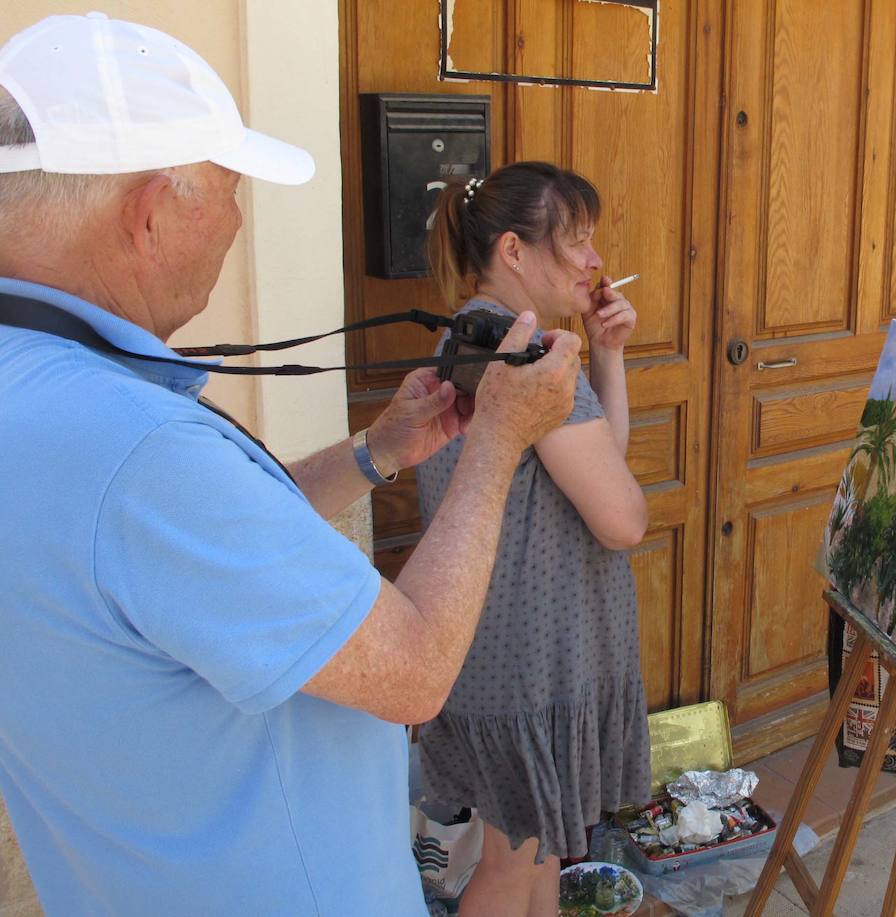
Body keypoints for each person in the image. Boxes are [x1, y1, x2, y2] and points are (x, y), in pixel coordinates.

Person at [0, 13, 580, 915]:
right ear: (152, 212)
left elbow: (184, 568)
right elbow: (417, 670)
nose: (236, 221)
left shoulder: (42, 391)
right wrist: (500, 439)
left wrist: (374, 453)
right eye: (229, 189)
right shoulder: (135, 446)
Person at [414, 161, 652, 916]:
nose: (594, 261)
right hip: (528, 670)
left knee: (537, 853)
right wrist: (587, 365)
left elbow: (593, 469)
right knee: (510, 869)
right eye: (576, 242)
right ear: (514, 250)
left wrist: (606, 354)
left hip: (492, 654)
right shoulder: (531, 359)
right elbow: (622, 518)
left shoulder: (474, 336)